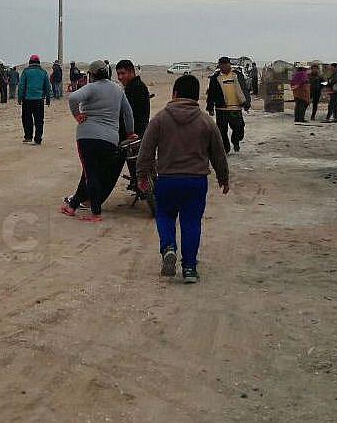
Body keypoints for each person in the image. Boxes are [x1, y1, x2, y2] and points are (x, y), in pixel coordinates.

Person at [136, 74, 230, 284]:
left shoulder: (160, 119)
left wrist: (142, 175)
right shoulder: (206, 121)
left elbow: (146, 151)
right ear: (197, 97)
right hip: (196, 181)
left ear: (175, 94)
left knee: (165, 215)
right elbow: (218, 153)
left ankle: (168, 247)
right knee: (191, 222)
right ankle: (189, 268)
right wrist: (224, 177)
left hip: (168, 179)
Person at [61, 60, 136, 222]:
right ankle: (72, 206)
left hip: (88, 136)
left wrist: (77, 115)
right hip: (110, 138)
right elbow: (128, 113)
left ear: (92, 74)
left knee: (91, 174)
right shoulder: (118, 89)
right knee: (91, 173)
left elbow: (73, 98)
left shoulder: (91, 87)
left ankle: (96, 213)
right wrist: (130, 133)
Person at [116, 59, 151, 189]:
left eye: (122, 73)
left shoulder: (135, 88)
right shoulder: (136, 86)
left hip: (135, 132)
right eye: (118, 74)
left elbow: (128, 114)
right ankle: (136, 183)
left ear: (131, 72)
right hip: (139, 131)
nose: (120, 77)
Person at [206, 56, 251, 153]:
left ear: (229, 64)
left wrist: (247, 103)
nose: (224, 67)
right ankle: (225, 149)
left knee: (239, 128)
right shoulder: (215, 78)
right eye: (221, 65)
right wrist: (210, 107)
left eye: (226, 65)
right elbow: (211, 93)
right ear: (219, 66)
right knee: (222, 131)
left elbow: (244, 90)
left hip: (236, 108)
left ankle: (235, 141)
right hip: (221, 109)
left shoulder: (237, 75)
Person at [16, 54, 53, 145]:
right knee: (39, 120)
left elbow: (21, 86)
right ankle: (38, 139)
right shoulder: (43, 72)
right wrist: (48, 99)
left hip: (27, 100)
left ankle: (28, 137)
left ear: (30, 62)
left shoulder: (26, 72)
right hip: (39, 100)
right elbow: (48, 87)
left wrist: (20, 98)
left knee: (27, 118)